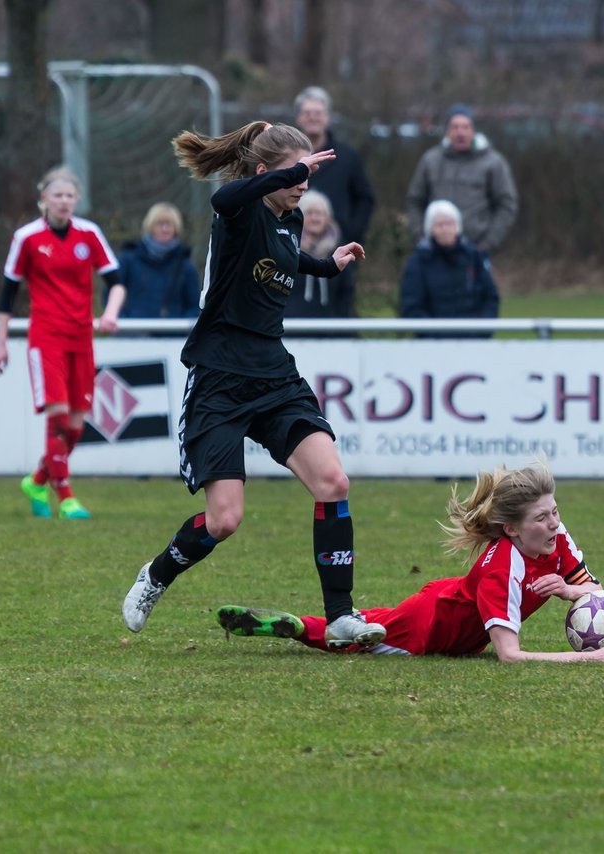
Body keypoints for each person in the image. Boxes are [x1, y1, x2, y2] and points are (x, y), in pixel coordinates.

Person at [120, 121, 384, 650]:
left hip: (273, 372)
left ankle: (339, 616)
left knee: (333, 482)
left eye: (307, 176)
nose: (303, 185)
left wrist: (326, 267)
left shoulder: (292, 217)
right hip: (218, 376)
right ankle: (157, 574)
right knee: (225, 521)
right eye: (295, 176)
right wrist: (291, 171)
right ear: (267, 172)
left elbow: (281, 263)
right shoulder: (239, 210)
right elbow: (223, 196)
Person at [214, 461, 604, 664]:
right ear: (512, 529)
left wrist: (571, 591)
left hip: (444, 601)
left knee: (364, 621)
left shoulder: (557, 535)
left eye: (555, 511)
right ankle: (294, 629)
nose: (554, 522)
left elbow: (595, 591)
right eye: (542, 517)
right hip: (433, 627)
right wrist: (588, 658)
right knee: (356, 640)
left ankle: (295, 622)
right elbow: (510, 656)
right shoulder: (503, 568)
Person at [0, 165, 126, 520]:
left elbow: (116, 281)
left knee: (77, 425)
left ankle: (37, 480)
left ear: (76, 200)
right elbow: (7, 295)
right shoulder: (28, 238)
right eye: (57, 195)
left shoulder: (89, 234)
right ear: (44, 200)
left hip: (81, 337)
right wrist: (1, 342)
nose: (64, 201)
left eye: (70, 196)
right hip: (46, 338)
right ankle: (65, 496)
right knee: (58, 415)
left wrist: (110, 312)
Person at [293, 85, 375, 316]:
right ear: (299, 118)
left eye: (318, 113)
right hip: (293, 246)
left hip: (336, 247)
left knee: (339, 308)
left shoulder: (347, 157)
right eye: (308, 113)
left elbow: (365, 199)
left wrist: (351, 234)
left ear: (327, 118)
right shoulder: (286, 158)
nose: (313, 118)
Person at [405, 103, 519, 255]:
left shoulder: (493, 163)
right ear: (447, 131)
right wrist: (421, 238)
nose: (460, 132)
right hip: (434, 252)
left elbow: (507, 205)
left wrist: (488, 243)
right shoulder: (430, 160)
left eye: (466, 127)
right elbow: (414, 201)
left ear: (474, 131)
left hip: (476, 250)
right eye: (455, 127)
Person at [399, 199, 500, 338]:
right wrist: (436, 335)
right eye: (440, 225)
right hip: (433, 346)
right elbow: (412, 307)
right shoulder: (418, 262)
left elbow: (490, 297)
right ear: (430, 229)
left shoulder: (474, 257)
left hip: (474, 341)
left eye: (450, 223)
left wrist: (481, 330)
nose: (445, 229)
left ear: (457, 227)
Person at [115, 202, 200, 321]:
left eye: (170, 225)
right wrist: (123, 321)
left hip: (173, 336)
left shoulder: (185, 265)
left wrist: (179, 329)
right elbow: (111, 292)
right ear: (150, 226)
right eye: (160, 224)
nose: (165, 229)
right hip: (133, 334)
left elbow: (193, 306)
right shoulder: (128, 259)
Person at [283, 189, 352, 322]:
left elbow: (346, 290)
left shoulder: (339, 250)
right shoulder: (287, 246)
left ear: (328, 218)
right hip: (290, 325)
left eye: (320, 213)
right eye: (309, 213)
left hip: (330, 328)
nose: (315, 218)